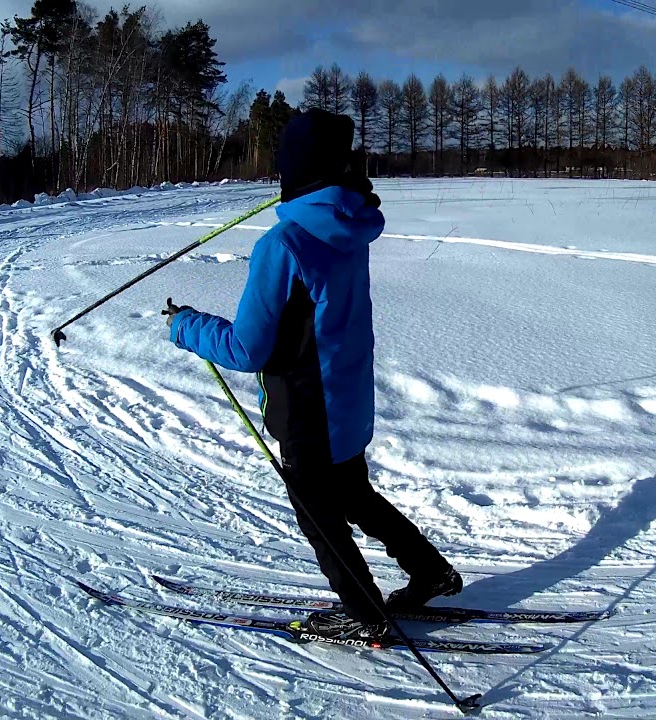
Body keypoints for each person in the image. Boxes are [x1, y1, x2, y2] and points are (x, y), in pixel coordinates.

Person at [163, 109, 461, 641]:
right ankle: (429, 570)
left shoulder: (282, 245)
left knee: (320, 516)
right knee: (354, 496)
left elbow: (245, 349)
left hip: (306, 412)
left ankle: (367, 612)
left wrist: (185, 326)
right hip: (348, 403)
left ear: (294, 168)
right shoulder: (351, 227)